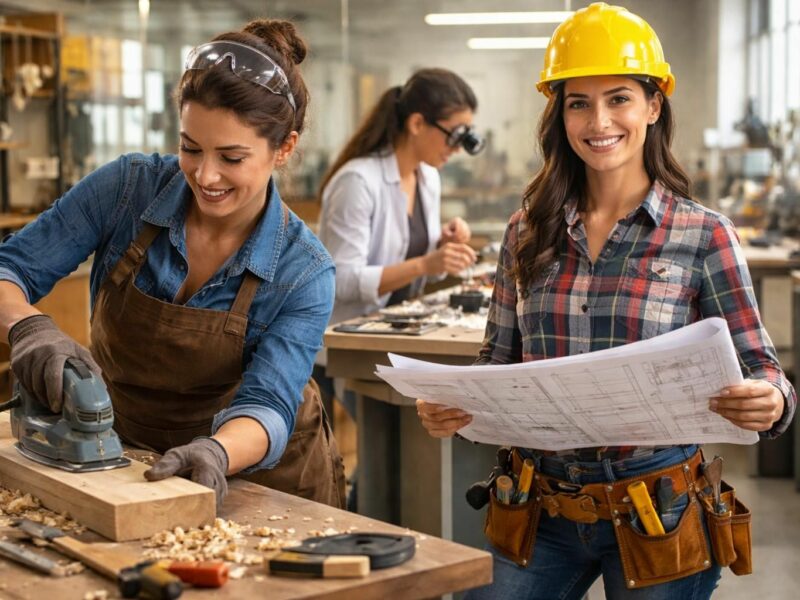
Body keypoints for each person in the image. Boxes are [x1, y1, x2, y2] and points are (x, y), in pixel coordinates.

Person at [416, 3, 796, 599]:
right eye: (578, 103)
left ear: (653, 105)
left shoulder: (704, 235)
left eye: (619, 98)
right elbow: (497, 362)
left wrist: (771, 400)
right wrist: (457, 410)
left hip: (658, 509)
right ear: (560, 114)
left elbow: (765, 371)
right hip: (538, 502)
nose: (599, 121)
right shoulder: (526, 231)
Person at [0, 19, 345, 510]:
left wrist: (216, 451)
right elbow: (11, 268)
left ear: (284, 148)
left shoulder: (303, 271)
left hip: (253, 478)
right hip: (125, 463)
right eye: (190, 148)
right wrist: (28, 326)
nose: (205, 176)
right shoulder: (127, 190)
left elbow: (268, 404)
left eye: (231, 158)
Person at [318, 67, 483, 328]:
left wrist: (442, 248)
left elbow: (420, 270)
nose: (457, 149)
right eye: (454, 136)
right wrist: (424, 265)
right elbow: (342, 281)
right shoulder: (358, 182)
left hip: (398, 326)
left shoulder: (428, 177)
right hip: (349, 334)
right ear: (417, 124)